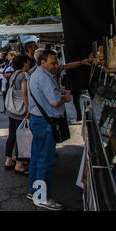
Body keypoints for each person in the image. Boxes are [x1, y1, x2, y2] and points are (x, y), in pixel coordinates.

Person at [27, 49, 71, 210]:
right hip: (45, 123)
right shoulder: (44, 77)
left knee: (38, 158)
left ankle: (33, 191)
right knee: (46, 160)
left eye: (56, 62)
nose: (55, 65)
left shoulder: (36, 74)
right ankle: (41, 196)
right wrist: (65, 98)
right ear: (42, 62)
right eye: (53, 63)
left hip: (37, 120)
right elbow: (54, 102)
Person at [4, 55, 31, 175]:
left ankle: (9, 159)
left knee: (12, 135)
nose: (29, 65)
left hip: (11, 109)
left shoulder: (13, 75)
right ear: (24, 63)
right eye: (28, 63)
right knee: (22, 136)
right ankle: (19, 163)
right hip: (20, 110)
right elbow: (24, 94)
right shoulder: (23, 76)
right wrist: (28, 109)